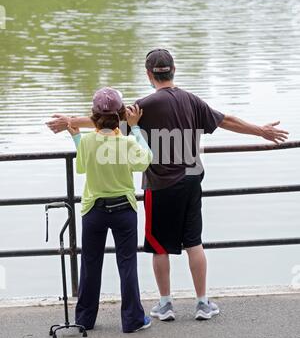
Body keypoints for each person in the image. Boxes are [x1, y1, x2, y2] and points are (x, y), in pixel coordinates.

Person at [47, 49, 289, 322]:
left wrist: (69, 122)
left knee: (159, 246)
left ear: (149, 74)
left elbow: (106, 119)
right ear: (174, 69)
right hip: (191, 180)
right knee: (194, 242)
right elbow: (227, 120)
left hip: (160, 184)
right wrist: (261, 131)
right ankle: (201, 303)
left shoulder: (143, 106)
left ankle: (165, 304)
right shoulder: (193, 101)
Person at [67, 87, 153, 333]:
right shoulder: (125, 142)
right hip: (124, 208)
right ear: (121, 116)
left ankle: (84, 319)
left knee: (90, 263)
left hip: (93, 209)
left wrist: (75, 137)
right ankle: (133, 320)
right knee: (127, 264)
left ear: (93, 116)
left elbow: (82, 167)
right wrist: (135, 128)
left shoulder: (88, 141)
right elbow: (146, 159)